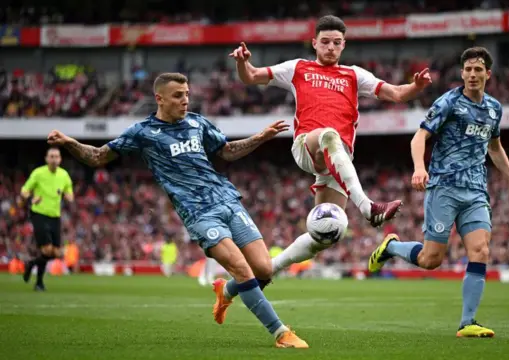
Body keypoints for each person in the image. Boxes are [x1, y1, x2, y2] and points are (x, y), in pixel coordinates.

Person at [46, 72, 309, 348]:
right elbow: (99, 156)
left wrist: (260, 137)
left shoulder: (197, 122)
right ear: (159, 98)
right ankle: (281, 333)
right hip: (199, 212)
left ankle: (225, 291)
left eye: (187, 95)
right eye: (178, 96)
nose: (185, 101)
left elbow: (227, 151)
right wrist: (69, 142)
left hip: (228, 199)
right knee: (242, 269)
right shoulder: (143, 132)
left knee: (264, 270)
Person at [213, 15, 432, 322]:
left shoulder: (355, 75)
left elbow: (396, 94)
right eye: (325, 42)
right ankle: (369, 208)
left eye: (337, 42)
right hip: (308, 145)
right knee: (329, 134)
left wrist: (416, 86)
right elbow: (250, 76)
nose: (331, 47)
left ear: (344, 45)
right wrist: (242, 62)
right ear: (314, 43)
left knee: (326, 235)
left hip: (337, 161)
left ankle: (232, 288)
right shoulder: (297, 68)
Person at [368, 47, 509, 338]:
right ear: (462, 73)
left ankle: (467, 323)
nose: (472, 74)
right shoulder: (449, 102)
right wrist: (419, 167)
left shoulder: (494, 108)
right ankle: (391, 247)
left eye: (478, 69)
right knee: (432, 260)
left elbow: (495, 147)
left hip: (476, 191)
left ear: (487, 74)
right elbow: (420, 136)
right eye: (467, 69)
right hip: (444, 187)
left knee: (480, 250)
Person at [20, 147, 74, 291]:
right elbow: (24, 191)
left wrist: (68, 196)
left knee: (57, 253)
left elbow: (70, 193)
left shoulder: (64, 175)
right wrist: (31, 197)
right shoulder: (38, 173)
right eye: (51, 156)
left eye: (57, 156)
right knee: (47, 249)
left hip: (55, 216)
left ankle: (31, 264)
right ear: (46, 159)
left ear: (60, 159)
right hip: (39, 214)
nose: (54, 159)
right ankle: (39, 283)